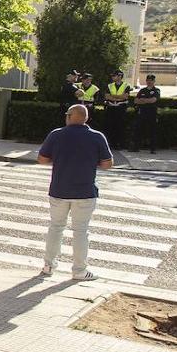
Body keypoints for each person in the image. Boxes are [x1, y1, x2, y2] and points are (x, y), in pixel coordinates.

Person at [38, 104, 114, 280]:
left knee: (56, 227)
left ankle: (49, 265)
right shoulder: (97, 136)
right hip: (85, 191)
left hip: (59, 190)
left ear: (70, 116)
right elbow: (107, 163)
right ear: (85, 118)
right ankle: (79, 270)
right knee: (81, 231)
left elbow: (42, 159)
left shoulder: (56, 134)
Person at [102, 69, 134, 151]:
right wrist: (119, 96)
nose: (112, 77)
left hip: (121, 108)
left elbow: (125, 96)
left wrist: (113, 96)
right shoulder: (110, 85)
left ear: (120, 76)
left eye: (114, 75)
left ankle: (118, 144)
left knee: (120, 126)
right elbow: (107, 96)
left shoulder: (126, 85)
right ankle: (110, 144)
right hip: (111, 107)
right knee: (109, 126)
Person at [134, 74, 160, 153]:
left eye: (151, 80)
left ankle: (153, 148)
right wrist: (146, 101)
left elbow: (153, 100)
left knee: (152, 131)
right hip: (142, 113)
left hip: (152, 113)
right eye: (148, 80)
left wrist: (143, 100)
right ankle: (136, 147)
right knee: (139, 130)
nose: (149, 82)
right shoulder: (142, 90)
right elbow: (135, 100)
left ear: (154, 81)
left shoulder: (156, 90)